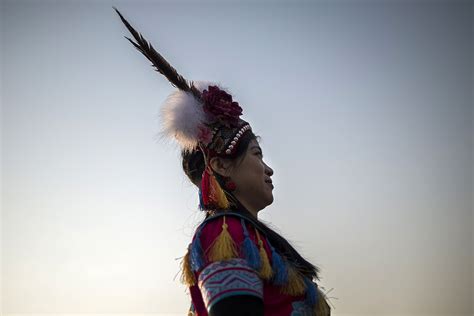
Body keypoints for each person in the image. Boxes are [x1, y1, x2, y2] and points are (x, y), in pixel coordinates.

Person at [114, 7, 333, 316]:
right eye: (256, 154)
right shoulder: (225, 234)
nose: (269, 169)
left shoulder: (248, 236)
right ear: (221, 166)